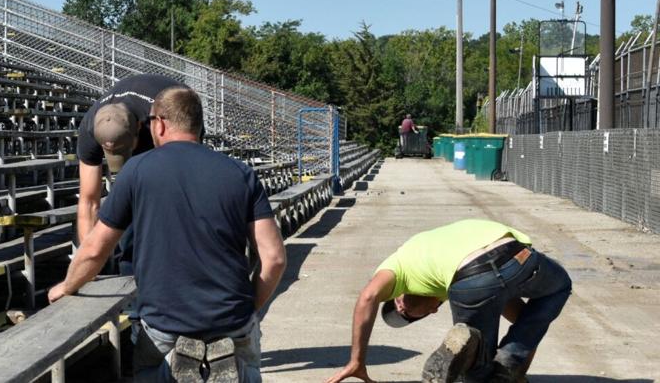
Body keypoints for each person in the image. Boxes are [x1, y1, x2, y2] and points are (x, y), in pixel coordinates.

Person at [50, 86, 287, 382]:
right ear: (199, 125)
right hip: (231, 318)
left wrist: (68, 285)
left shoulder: (135, 171)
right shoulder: (240, 173)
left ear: (159, 124)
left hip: (165, 323)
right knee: (243, 360)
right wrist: (248, 308)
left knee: (150, 363)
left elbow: (96, 249)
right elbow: (275, 258)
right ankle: (221, 356)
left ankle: (175, 361)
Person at [326, 219, 572, 383]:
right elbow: (525, 321)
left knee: (478, 372)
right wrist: (516, 361)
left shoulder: (397, 268)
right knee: (556, 289)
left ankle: (478, 356)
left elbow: (368, 296)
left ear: (399, 300)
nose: (432, 312)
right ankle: (496, 361)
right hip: (514, 259)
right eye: (416, 318)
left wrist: (356, 361)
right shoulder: (433, 266)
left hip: (475, 272)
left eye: (408, 313)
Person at [75, 74, 184, 261]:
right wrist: (89, 260)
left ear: (139, 128)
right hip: (140, 123)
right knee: (127, 212)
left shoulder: (163, 120)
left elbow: (183, 176)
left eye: (124, 150)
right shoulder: (89, 128)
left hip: (178, 113)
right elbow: (89, 201)